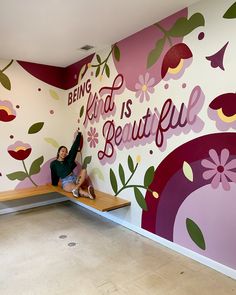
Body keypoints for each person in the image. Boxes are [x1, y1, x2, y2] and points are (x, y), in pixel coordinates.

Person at [50, 131, 96, 199]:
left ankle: (77, 189)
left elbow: (74, 149)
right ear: (58, 152)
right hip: (66, 182)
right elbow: (53, 174)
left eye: (66, 152)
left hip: (75, 179)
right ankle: (89, 195)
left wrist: (79, 135)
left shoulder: (68, 160)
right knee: (78, 189)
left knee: (84, 171)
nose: (64, 153)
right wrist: (54, 184)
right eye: (62, 151)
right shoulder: (53, 163)